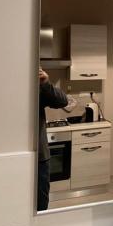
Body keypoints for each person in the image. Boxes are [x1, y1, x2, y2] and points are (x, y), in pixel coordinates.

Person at [38, 68, 68, 211]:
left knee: (41, 205)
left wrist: (45, 83)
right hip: (22, 157)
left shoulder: (38, 88)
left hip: (40, 158)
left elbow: (62, 101)